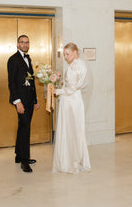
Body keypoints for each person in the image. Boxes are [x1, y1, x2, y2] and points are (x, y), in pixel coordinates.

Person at [53, 42, 91, 174]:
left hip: (70, 101)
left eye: (67, 54)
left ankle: (70, 162)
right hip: (76, 100)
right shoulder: (80, 64)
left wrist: (57, 91)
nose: (65, 57)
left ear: (75, 52)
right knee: (76, 130)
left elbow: (71, 89)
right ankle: (76, 160)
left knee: (70, 130)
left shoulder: (74, 67)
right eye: (64, 54)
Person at [7, 35, 40, 173]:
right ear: (17, 44)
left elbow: (31, 81)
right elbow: (12, 83)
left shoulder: (28, 58)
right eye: (22, 42)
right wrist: (17, 102)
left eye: (27, 42)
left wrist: (35, 100)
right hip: (20, 100)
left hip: (29, 99)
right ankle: (25, 161)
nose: (25, 44)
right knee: (26, 128)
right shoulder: (13, 60)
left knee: (23, 126)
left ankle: (19, 155)